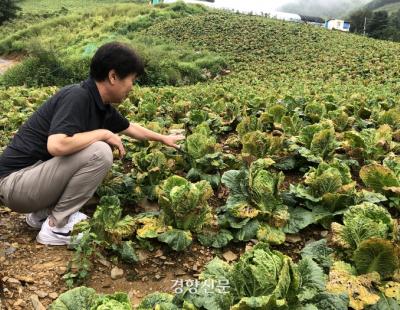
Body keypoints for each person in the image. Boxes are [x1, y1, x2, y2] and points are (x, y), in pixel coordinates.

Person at [0, 42, 184, 246]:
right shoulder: (77, 96)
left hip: (28, 183)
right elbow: (57, 145)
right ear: (113, 77)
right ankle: (56, 226)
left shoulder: (100, 105)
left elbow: (131, 128)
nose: (132, 87)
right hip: (14, 185)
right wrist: (103, 133)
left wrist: (163, 138)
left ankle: (41, 215)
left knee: (92, 148)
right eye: (132, 79)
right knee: (100, 151)